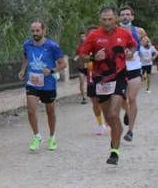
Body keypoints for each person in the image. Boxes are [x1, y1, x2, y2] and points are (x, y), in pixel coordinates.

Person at [79, 7, 136, 165]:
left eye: (110, 19)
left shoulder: (124, 34)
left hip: (119, 76)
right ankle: (118, 131)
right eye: (104, 20)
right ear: (100, 20)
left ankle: (114, 152)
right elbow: (82, 57)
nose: (107, 23)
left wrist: (130, 52)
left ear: (116, 19)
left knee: (112, 114)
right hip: (101, 79)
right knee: (110, 118)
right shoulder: (94, 35)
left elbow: (132, 45)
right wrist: (93, 57)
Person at [18, 21, 67, 151]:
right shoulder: (27, 44)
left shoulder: (52, 46)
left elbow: (63, 64)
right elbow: (25, 57)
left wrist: (51, 71)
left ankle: (52, 137)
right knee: (30, 110)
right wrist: (23, 69)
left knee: (50, 112)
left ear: (44, 30)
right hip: (32, 82)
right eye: (33, 31)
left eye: (37, 31)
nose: (35, 33)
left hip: (48, 84)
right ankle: (37, 136)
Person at [117, 6, 145, 142]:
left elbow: (146, 44)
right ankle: (127, 112)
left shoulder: (139, 31)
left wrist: (145, 46)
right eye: (122, 15)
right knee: (121, 98)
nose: (125, 17)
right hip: (119, 69)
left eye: (128, 14)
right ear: (118, 17)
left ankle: (130, 131)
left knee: (132, 98)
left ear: (132, 17)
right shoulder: (114, 32)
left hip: (134, 68)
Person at [78, 26, 107, 136]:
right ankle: (101, 124)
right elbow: (81, 57)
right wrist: (92, 58)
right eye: (90, 34)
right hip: (91, 77)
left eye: (95, 33)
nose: (93, 36)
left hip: (104, 76)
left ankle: (109, 120)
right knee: (95, 103)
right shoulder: (85, 47)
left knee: (105, 102)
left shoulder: (104, 45)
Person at [74, 31, 89, 104]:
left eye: (83, 36)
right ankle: (84, 98)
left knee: (91, 82)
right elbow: (77, 55)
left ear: (86, 36)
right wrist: (76, 58)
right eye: (80, 36)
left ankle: (94, 95)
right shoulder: (78, 46)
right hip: (81, 67)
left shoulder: (89, 45)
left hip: (89, 67)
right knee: (81, 82)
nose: (82, 38)